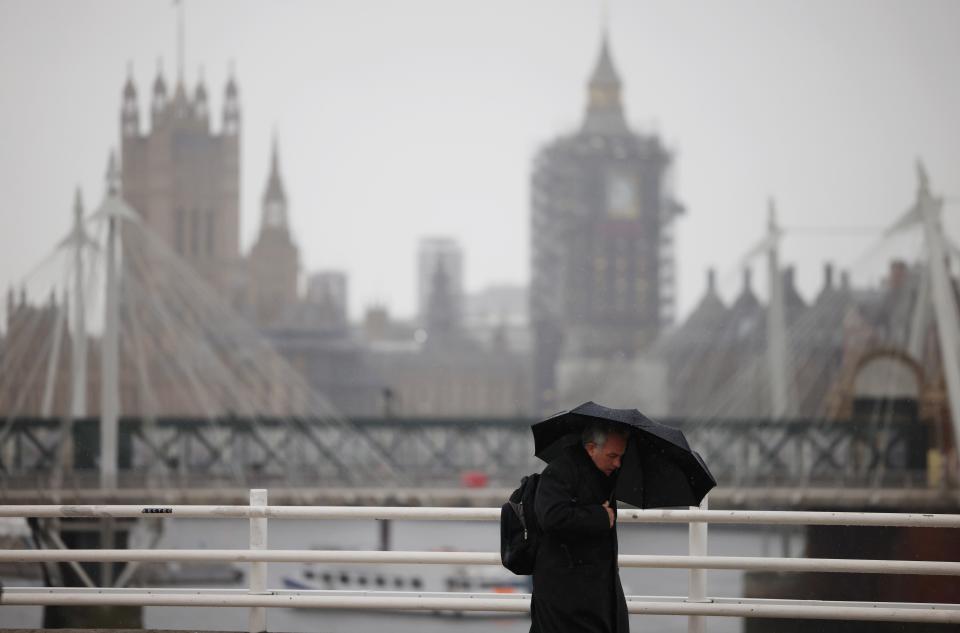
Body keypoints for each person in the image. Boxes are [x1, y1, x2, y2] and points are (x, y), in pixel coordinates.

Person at [530, 421, 630, 633]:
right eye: (613, 456)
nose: (618, 463)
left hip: (592, 590)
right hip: (567, 594)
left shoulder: (602, 475)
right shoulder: (560, 471)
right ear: (591, 448)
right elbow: (552, 517)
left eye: (621, 456)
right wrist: (600, 517)